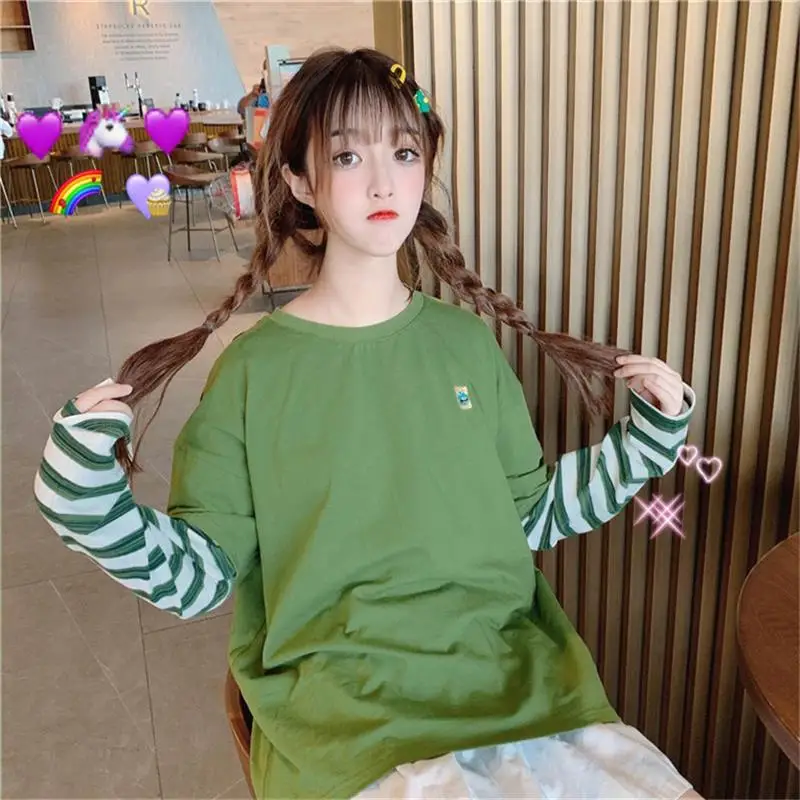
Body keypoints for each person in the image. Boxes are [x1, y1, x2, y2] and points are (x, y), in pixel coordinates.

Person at [33, 47, 704, 800]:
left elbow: (531, 516)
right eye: (348, 156)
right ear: (298, 180)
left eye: (404, 152)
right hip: (344, 724)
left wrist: (644, 444)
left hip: (527, 691)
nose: (384, 182)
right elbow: (201, 577)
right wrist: (92, 508)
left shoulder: (466, 344)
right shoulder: (252, 373)